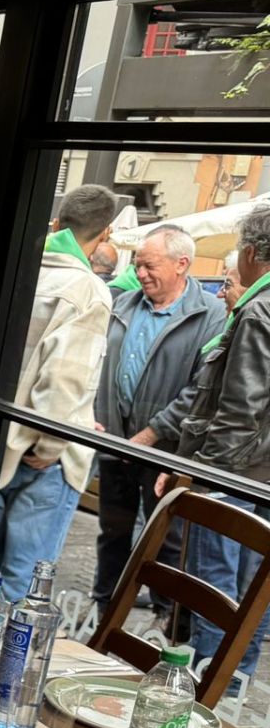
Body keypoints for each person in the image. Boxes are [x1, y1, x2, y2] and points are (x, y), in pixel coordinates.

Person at [0, 185, 117, 599]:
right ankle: (5, 664)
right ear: (106, 234)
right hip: (45, 457)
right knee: (24, 583)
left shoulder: (19, 270)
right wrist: (50, 445)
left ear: (57, 224)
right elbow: (64, 378)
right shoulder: (88, 290)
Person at [91, 223, 225, 608]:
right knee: (112, 533)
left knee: (165, 540)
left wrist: (151, 435)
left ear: (182, 264)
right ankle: (105, 610)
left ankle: (164, 618)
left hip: (164, 452)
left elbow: (201, 390)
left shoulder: (211, 315)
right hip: (114, 443)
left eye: (149, 265)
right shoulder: (123, 303)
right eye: (138, 264)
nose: (140, 273)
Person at [173, 202, 270, 678]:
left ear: (251, 253)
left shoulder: (258, 309)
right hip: (261, 475)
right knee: (257, 586)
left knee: (214, 582)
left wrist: (203, 475)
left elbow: (238, 411)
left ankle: (217, 681)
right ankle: (237, 676)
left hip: (237, 473)